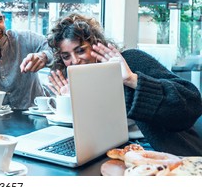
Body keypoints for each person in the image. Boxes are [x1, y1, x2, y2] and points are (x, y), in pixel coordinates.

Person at [46, 13, 202, 156]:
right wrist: (69, 103)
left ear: (96, 44)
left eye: (80, 50)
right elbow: (92, 134)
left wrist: (132, 80)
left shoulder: (131, 60)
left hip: (160, 151)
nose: (74, 61)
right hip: (114, 152)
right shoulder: (76, 80)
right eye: (66, 56)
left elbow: (192, 102)